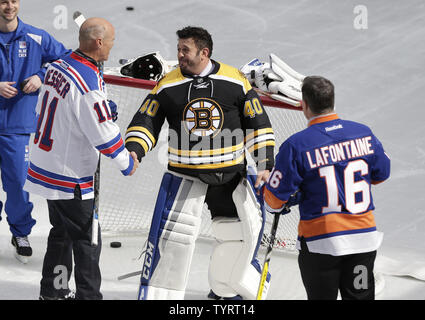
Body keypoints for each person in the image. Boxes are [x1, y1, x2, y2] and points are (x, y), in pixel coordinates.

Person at [125, 26, 276, 300]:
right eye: (179, 49)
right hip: (185, 176)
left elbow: (257, 123)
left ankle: (226, 292)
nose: (180, 55)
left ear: (204, 53)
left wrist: (265, 162)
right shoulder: (168, 84)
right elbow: (146, 119)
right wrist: (135, 149)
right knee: (171, 243)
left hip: (231, 176)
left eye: (186, 50)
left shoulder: (235, 80)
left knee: (238, 237)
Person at [23, 17, 139, 300]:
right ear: (99, 42)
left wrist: (100, 106)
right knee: (88, 241)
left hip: (46, 168)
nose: (113, 46)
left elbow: (61, 108)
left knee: (61, 233)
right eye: (111, 41)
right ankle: (88, 297)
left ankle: (52, 292)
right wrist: (126, 162)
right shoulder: (86, 82)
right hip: (69, 176)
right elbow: (103, 135)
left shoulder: (59, 65)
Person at [264, 76, 391, 300]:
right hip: (362, 242)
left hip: (320, 245)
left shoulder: (296, 145)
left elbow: (273, 201)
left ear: (303, 104)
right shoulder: (363, 133)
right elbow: (381, 174)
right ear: (333, 100)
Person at [0, 0, 69, 262]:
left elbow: (65, 58)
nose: (9, 6)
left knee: (18, 184)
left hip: (18, 126)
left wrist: (41, 75)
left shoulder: (36, 36)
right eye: (4, 1)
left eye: (13, 1)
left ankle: (20, 232)